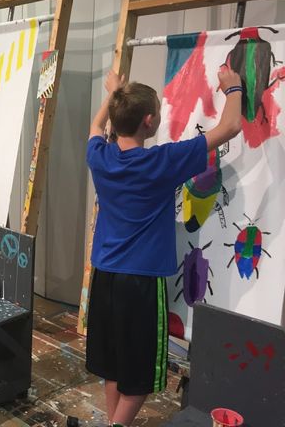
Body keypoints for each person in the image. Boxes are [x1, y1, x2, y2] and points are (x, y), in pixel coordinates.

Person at [82, 65, 242, 427]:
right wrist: (234, 88)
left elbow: (95, 127)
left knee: (114, 366)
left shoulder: (100, 157)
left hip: (104, 278)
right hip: (140, 282)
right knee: (139, 376)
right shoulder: (161, 161)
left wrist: (112, 92)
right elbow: (230, 127)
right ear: (149, 121)